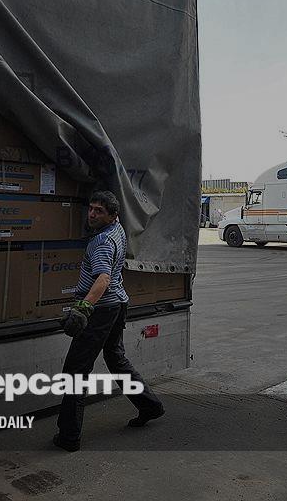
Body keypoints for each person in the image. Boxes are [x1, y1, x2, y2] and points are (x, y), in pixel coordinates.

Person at [53, 190, 165, 452]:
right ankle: (150, 405)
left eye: (99, 211)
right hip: (117, 303)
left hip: (101, 310)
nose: (92, 214)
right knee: (116, 358)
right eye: (91, 208)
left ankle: (69, 436)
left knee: (75, 371)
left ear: (113, 215)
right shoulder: (117, 229)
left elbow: (102, 278)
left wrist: (83, 308)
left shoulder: (102, 241)